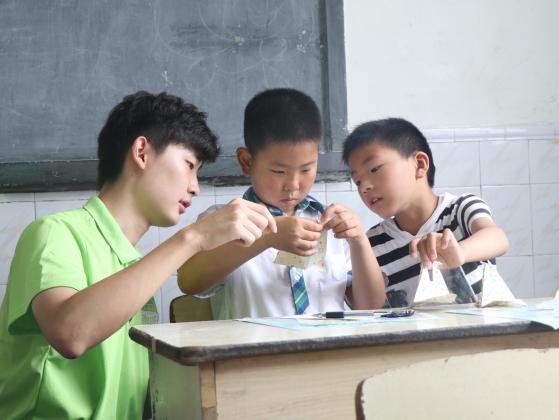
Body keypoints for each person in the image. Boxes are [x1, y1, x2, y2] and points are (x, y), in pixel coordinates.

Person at [0, 91, 276, 419]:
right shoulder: (54, 233)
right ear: (142, 152)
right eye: (189, 165)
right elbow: (71, 334)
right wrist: (194, 237)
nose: (195, 187)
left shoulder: (134, 266)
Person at [178, 88, 385, 319]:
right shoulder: (226, 219)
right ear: (247, 162)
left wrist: (358, 241)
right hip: (253, 344)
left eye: (306, 169)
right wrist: (266, 238)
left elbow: (371, 305)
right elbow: (189, 282)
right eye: (279, 171)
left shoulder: (331, 223)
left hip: (330, 343)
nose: (293, 185)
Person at [342, 117, 509, 307]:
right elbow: (369, 307)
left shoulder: (461, 209)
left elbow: (498, 238)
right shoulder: (372, 243)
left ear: (420, 164)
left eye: (374, 169)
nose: (364, 187)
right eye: (357, 181)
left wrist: (459, 252)